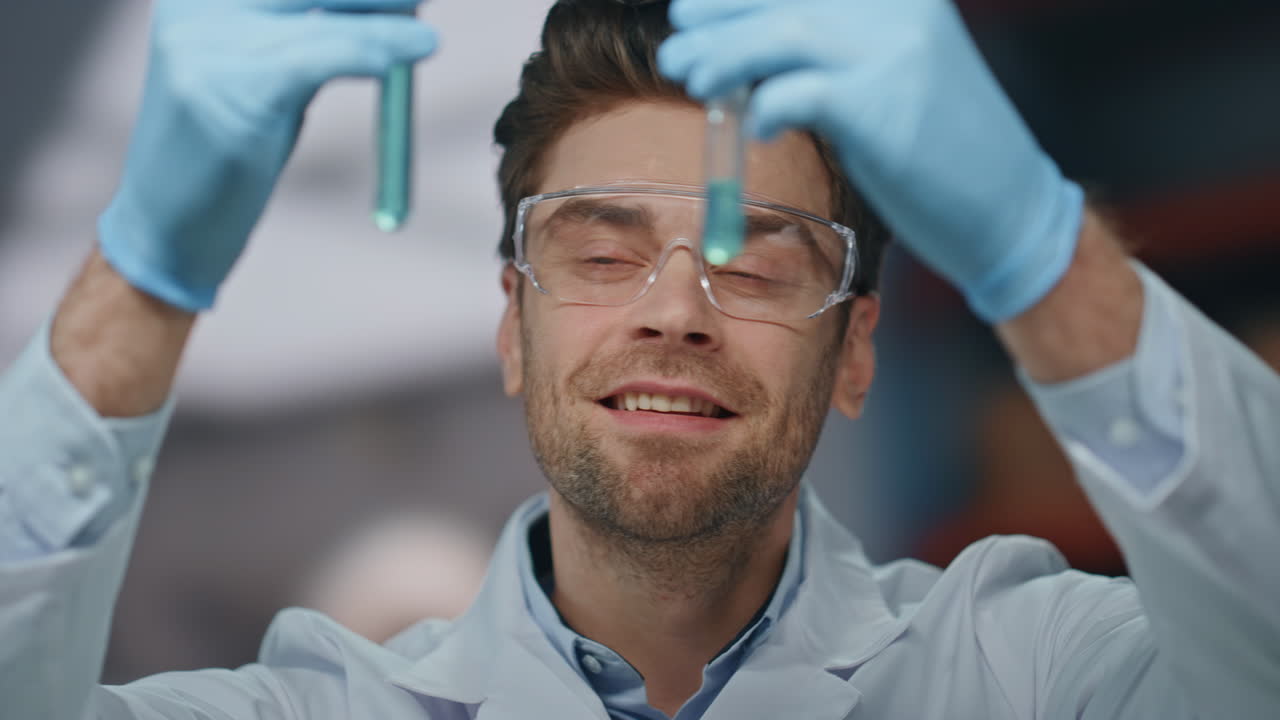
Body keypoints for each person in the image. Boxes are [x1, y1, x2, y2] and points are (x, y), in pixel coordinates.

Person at [1, 0, 1277, 718]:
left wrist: (1036, 248)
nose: (675, 311)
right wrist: (142, 276)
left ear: (853, 354)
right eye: (600, 254)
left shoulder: (1025, 674)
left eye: (757, 259)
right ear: (511, 326)